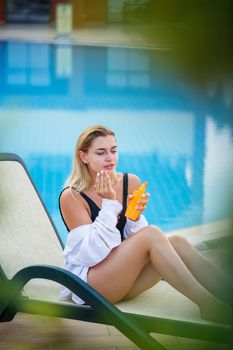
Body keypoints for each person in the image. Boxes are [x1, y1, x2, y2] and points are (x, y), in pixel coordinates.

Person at [59, 125, 233, 324]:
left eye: (113, 151)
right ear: (84, 157)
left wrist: (134, 218)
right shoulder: (72, 196)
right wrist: (109, 203)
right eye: (101, 152)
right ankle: (209, 305)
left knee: (176, 241)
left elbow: (139, 245)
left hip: (125, 280)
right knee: (152, 234)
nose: (110, 158)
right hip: (93, 287)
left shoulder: (129, 181)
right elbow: (90, 255)